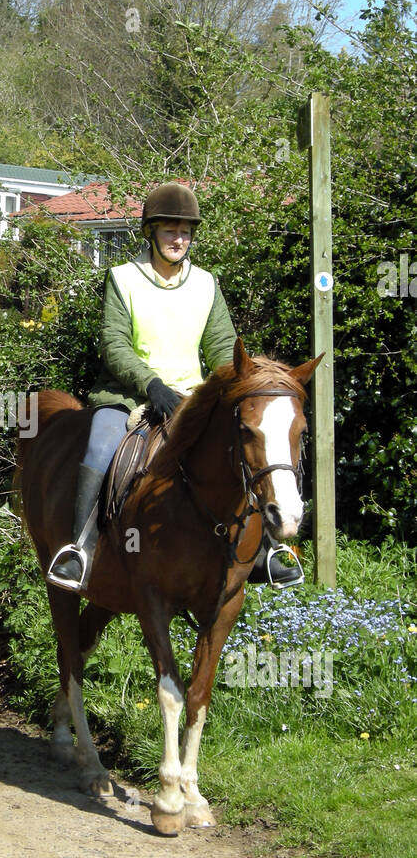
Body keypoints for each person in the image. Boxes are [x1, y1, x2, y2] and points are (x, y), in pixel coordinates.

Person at [46, 181, 302, 593]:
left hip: (192, 400)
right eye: (169, 230)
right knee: (100, 446)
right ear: (151, 232)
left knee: (246, 443)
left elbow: (222, 347)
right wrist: (151, 384)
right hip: (128, 396)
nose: (178, 239)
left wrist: (238, 384)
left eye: (185, 231)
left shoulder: (206, 284)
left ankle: (267, 548)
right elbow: (113, 343)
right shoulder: (123, 278)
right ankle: (80, 549)